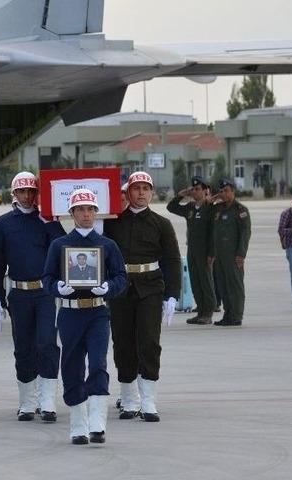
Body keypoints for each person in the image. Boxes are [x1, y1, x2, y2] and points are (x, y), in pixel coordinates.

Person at [42, 188, 127, 444]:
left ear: (96, 212)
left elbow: (121, 277)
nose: (86, 214)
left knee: (98, 363)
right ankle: (78, 424)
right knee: (72, 366)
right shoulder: (59, 245)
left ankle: (97, 424)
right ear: (72, 213)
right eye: (80, 209)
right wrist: (57, 288)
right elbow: (47, 278)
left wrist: (108, 288)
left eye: (90, 209)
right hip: (70, 314)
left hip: (97, 312)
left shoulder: (107, 245)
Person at [0, 172, 66, 422]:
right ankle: (28, 401)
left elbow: (63, 249)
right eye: (22, 191)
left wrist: (50, 222)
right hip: (18, 293)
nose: (27, 196)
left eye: (32, 191)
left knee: (47, 344)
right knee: (23, 347)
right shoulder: (3, 223)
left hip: (45, 293)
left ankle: (47, 401)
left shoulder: (47, 220)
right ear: (14, 194)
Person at [104, 171, 181, 422]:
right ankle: (129, 399)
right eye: (136, 188)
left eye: (145, 189)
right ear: (127, 192)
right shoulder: (112, 223)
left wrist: (172, 295)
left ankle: (148, 401)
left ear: (152, 193)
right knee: (123, 342)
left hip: (150, 288)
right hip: (120, 288)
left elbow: (171, 260)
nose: (141, 193)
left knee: (149, 342)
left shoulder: (162, 224)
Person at [167, 176, 215, 325]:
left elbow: (213, 233)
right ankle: (200, 311)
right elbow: (171, 207)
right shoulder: (190, 208)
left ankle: (208, 313)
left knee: (206, 282)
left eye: (198, 189)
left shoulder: (210, 208)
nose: (194, 192)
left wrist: (212, 253)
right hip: (192, 250)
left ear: (205, 190)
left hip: (205, 251)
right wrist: (181, 195)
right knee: (195, 281)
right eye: (193, 189)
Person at [210, 178, 251, 326]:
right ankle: (228, 315)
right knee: (223, 286)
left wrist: (241, 254)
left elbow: (245, 233)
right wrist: (213, 199)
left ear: (233, 191)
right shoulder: (217, 209)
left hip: (233, 255)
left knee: (235, 286)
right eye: (221, 191)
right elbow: (205, 208)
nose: (224, 194)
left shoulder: (240, 210)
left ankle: (236, 316)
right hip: (219, 255)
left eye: (226, 191)